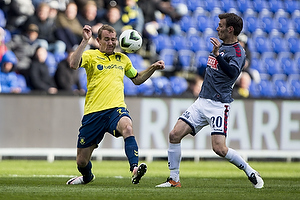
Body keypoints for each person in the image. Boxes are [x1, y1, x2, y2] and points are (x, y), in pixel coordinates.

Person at [156, 13, 264, 189]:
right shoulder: (220, 47)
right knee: (174, 135)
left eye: (220, 25)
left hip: (218, 105)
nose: (217, 28)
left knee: (219, 149)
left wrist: (218, 55)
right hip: (201, 102)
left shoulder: (238, 51)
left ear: (230, 29)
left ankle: (250, 171)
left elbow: (232, 73)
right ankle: (174, 180)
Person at [66, 24, 165, 185]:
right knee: (81, 162)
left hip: (116, 109)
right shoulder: (91, 56)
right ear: (98, 40)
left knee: (128, 127)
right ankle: (87, 176)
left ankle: (134, 168)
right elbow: (73, 64)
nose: (111, 43)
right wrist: (84, 41)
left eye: (113, 39)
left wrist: (153, 67)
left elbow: (137, 79)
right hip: (94, 113)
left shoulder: (123, 59)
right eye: (107, 39)